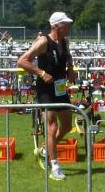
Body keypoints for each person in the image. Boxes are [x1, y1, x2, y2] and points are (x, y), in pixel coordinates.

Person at [17, 12, 76, 181]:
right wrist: (41, 73)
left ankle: (45, 149)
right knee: (52, 127)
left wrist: (70, 68)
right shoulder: (43, 41)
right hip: (46, 90)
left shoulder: (65, 41)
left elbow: (68, 56)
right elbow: (22, 61)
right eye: (66, 24)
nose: (69, 27)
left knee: (67, 125)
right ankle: (55, 166)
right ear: (56, 26)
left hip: (60, 87)